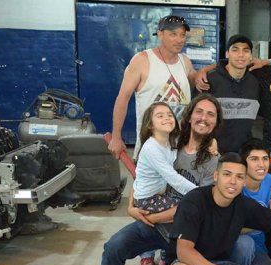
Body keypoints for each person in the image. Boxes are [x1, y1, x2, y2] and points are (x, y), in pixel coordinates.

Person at [81, 93, 221, 265]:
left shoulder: (212, 157)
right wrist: (131, 206)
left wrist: (152, 217)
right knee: (114, 247)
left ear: (216, 123)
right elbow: (144, 176)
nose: (204, 118)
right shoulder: (168, 142)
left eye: (211, 114)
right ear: (188, 116)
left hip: (183, 229)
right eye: (199, 112)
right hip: (155, 217)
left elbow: (201, 203)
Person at [108, 15, 196, 160]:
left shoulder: (185, 61)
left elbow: (197, 78)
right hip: (151, 150)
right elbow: (122, 99)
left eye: (182, 35)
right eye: (173, 34)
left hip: (179, 149)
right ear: (160, 34)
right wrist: (116, 137)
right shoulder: (142, 60)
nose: (179, 39)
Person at [132, 102, 194, 213]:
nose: (167, 118)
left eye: (170, 115)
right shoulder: (152, 149)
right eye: (160, 116)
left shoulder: (170, 140)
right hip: (147, 200)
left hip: (160, 193)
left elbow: (193, 139)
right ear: (150, 125)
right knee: (189, 206)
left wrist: (212, 142)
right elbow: (173, 178)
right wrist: (199, 192)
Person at [203, 34, 261, 154]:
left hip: (242, 155)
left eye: (246, 50)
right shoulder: (209, 80)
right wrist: (207, 140)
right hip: (212, 152)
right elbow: (196, 116)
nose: (241, 55)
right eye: (235, 50)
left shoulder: (255, 82)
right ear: (227, 54)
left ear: (251, 56)